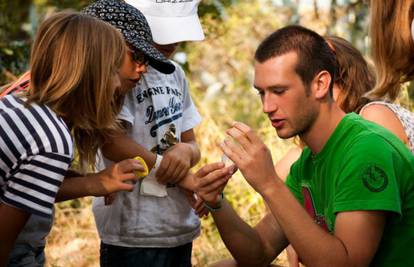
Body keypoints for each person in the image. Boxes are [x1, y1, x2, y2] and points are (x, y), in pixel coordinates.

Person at [195, 25, 414, 267]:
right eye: (261, 93)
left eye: (279, 91)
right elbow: (258, 252)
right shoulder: (307, 164)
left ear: (320, 84)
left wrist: (269, 183)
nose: (267, 106)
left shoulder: (366, 149)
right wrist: (216, 201)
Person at [3, 1, 177, 265]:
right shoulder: (50, 137)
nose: (120, 80)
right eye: (112, 68)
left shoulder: (21, 105)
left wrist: (92, 182)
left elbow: (19, 186)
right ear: (90, 69)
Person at [88, 0, 205, 266]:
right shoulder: (119, 73)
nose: (172, 43)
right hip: (133, 230)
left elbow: (192, 144)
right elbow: (112, 143)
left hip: (177, 224)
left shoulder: (175, 74)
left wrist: (186, 153)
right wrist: (183, 177)